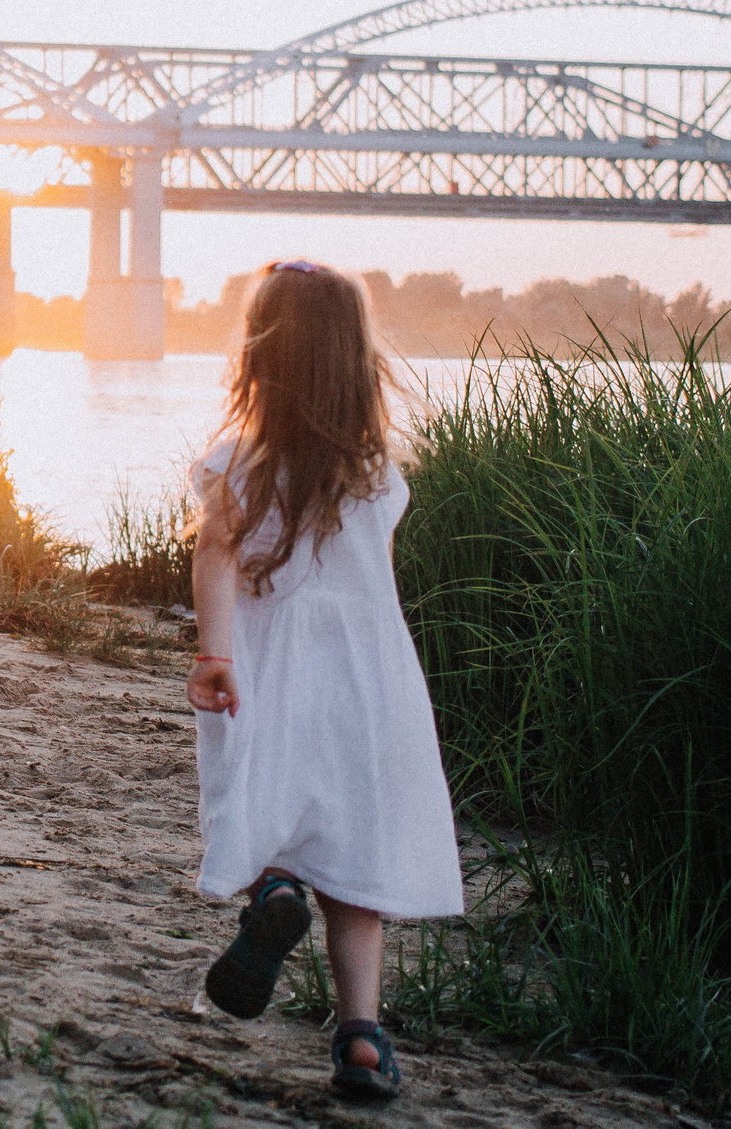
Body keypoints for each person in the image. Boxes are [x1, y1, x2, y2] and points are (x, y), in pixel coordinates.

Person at [184, 259, 464, 1104]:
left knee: (261, 790)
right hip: (368, 679)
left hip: (270, 665)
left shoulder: (237, 460)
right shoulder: (379, 474)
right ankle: (363, 1038)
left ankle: (272, 886)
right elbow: (375, 583)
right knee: (352, 862)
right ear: (355, 362)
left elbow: (214, 555)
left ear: (260, 357)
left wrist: (215, 653)